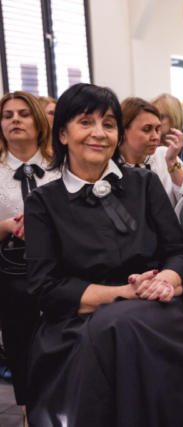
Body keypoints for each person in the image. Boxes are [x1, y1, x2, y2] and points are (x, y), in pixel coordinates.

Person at [24, 83, 183, 427]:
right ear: (63, 134)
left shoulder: (144, 183)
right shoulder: (43, 202)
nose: (99, 133)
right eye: (86, 122)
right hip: (76, 321)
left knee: (122, 327)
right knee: (113, 328)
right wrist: (123, 294)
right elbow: (46, 288)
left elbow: (179, 252)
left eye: (109, 124)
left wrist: (164, 282)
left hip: (155, 309)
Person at [0, 91, 59, 423]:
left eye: (23, 114)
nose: (15, 120)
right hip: (11, 272)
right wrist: (7, 226)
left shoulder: (59, 166)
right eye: (7, 115)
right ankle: (29, 414)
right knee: (21, 344)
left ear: (38, 122)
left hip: (60, 266)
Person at [119, 97, 183, 208]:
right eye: (146, 129)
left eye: (157, 129)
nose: (155, 137)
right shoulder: (110, 164)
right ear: (123, 131)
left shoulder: (164, 155)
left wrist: (172, 162)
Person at [150, 93, 183, 183]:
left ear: (174, 116)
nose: (155, 122)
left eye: (160, 117)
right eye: (152, 117)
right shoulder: (149, 146)